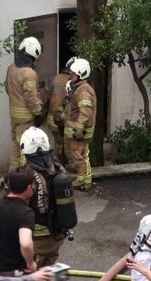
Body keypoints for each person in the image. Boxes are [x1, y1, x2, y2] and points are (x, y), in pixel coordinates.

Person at [0, 127, 70, 281]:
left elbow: (14, 202)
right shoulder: (58, 168)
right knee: (50, 271)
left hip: (36, 236)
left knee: (25, 276)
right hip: (57, 234)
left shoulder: (28, 176)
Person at [6, 36, 44, 169]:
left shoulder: (11, 69)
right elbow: (31, 97)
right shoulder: (29, 73)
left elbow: (7, 89)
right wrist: (39, 113)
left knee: (15, 148)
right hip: (26, 119)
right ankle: (24, 180)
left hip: (14, 117)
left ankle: (13, 176)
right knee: (26, 150)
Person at [64, 58, 97, 190]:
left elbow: (85, 112)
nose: (70, 76)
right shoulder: (79, 88)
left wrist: (78, 129)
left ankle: (82, 182)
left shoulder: (83, 91)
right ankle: (84, 181)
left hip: (79, 132)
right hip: (76, 130)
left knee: (79, 157)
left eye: (73, 74)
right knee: (81, 156)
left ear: (81, 74)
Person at [46, 58, 75, 165]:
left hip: (52, 117)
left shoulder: (55, 78)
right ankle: (62, 164)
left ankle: (58, 162)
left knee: (58, 142)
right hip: (64, 117)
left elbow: (48, 97)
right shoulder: (73, 81)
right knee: (66, 143)